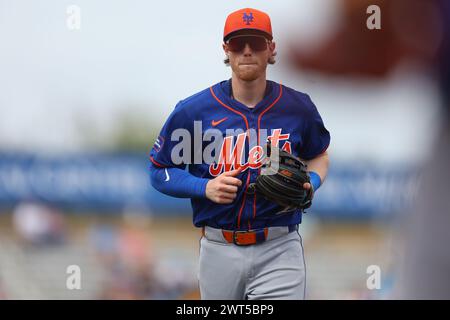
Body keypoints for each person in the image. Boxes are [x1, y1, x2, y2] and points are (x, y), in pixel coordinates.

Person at [149, 8, 330, 300]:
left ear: (271, 48)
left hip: (280, 246)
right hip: (218, 247)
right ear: (226, 49)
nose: (247, 50)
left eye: (256, 42)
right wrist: (203, 186)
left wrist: (312, 181)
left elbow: (319, 155)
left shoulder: (298, 108)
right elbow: (159, 170)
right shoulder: (194, 111)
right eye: (237, 43)